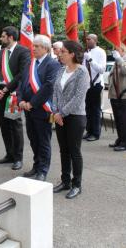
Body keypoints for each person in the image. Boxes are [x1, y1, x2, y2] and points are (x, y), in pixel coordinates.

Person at [18, 35, 61, 181]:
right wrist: (21, 100)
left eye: (37, 46)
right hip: (28, 109)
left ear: (46, 48)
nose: (33, 48)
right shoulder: (30, 63)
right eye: (33, 45)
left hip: (42, 109)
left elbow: (48, 87)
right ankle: (36, 166)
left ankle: (43, 170)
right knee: (33, 139)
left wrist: (32, 103)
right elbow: (21, 84)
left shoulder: (52, 64)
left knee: (43, 141)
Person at [52, 41, 90, 199]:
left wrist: (62, 113)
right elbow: (55, 91)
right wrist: (55, 111)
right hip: (59, 116)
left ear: (72, 54)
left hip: (75, 117)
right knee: (63, 150)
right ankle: (65, 180)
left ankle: (77, 184)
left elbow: (79, 97)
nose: (59, 54)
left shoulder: (82, 72)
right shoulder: (61, 70)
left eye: (63, 51)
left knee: (74, 151)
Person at [0, 26, 30, 170]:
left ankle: (18, 158)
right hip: (0, 93)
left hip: (14, 94)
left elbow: (22, 74)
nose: (1, 39)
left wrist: (6, 88)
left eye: (3, 36)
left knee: (15, 125)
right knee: (4, 125)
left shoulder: (23, 51)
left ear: (11, 37)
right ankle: (9, 154)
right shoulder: (2, 52)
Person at [108, 47, 126, 152]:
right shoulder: (117, 60)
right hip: (115, 94)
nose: (113, 51)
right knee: (118, 120)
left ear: (122, 50)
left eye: (116, 49)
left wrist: (119, 59)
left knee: (125, 120)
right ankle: (120, 139)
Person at [82, 34, 106, 141]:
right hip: (86, 84)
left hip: (96, 83)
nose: (87, 41)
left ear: (95, 40)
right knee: (87, 109)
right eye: (86, 39)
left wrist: (90, 60)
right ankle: (89, 130)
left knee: (95, 109)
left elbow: (101, 69)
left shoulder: (100, 52)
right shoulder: (86, 52)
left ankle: (96, 133)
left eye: (89, 39)